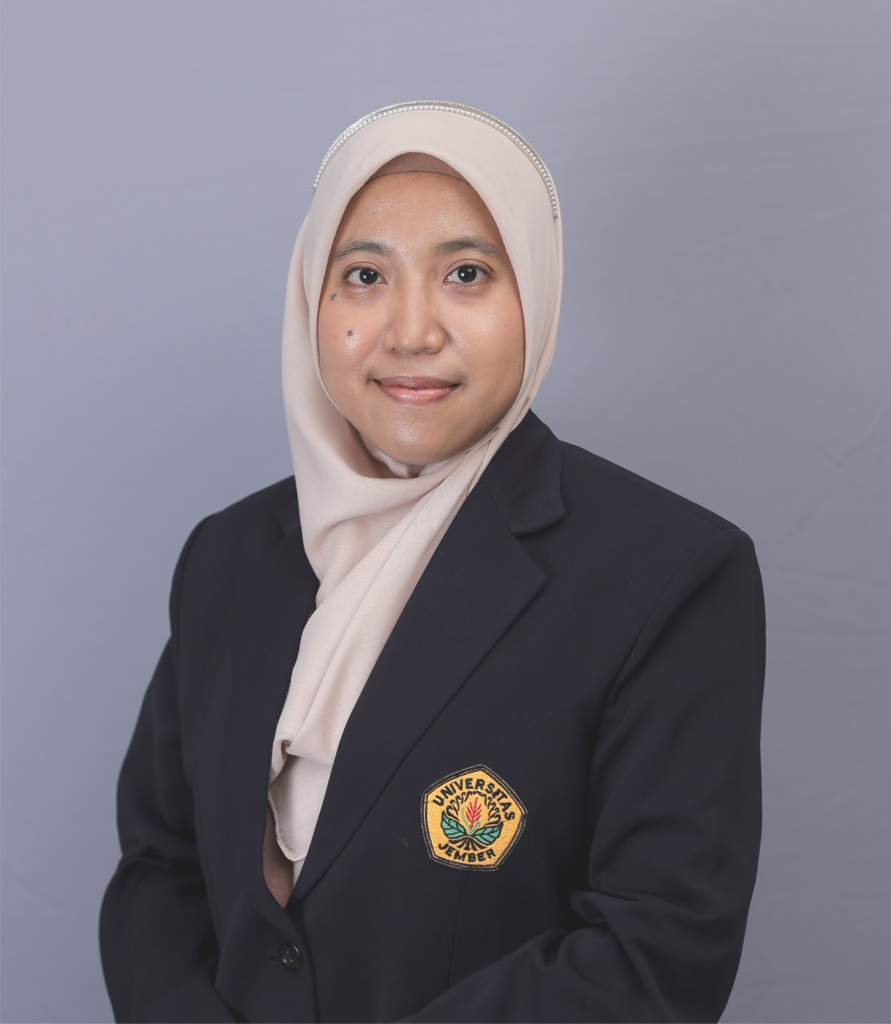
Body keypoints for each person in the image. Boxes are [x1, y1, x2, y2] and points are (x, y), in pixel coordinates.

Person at [100, 102, 765, 1024]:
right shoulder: (228, 556)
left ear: (535, 294)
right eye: (364, 275)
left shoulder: (668, 573)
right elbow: (160, 869)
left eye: (466, 274)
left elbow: (657, 947)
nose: (411, 331)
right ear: (311, 299)